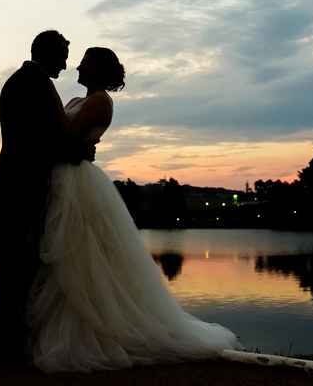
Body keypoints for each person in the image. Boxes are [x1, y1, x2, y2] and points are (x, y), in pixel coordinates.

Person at [27, 47, 240, 372]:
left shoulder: (101, 101)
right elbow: (59, 136)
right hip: (59, 179)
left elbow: (68, 135)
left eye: (84, 63)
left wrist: (50, 93)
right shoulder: (73, 101)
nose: (78, 68)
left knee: (80, 256)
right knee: (63, 259)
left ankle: (86, 336)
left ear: (98, 70)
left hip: (77, 185)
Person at [0, 30, 93, 365]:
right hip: (24, 188)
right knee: (19, 269)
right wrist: (81, 151)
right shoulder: (34, 83)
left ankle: (4, 345)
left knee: (14, 270)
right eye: (61, 56)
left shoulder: (18, 81)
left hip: (13, 185)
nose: (65, 64)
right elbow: (41, 141)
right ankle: (7, 351)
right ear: (46, 52)